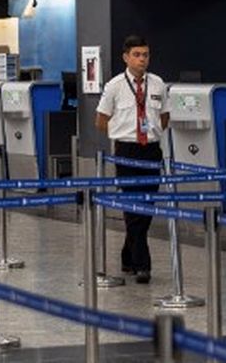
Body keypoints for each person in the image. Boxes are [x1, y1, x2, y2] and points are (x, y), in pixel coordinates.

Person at [95, 35, 169, 284]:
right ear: (126, 57)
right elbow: (100, 121)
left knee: (147, 205)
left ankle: (128, 255)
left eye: (145, 55)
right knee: (132, 204)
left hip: (151, 150)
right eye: (137, 55)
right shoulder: (114, 86)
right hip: (127, 151)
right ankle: (142, 264)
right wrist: (122, 133)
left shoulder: (158, 84)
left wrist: (150, 133)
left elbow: (164, 117)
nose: (142, 59)